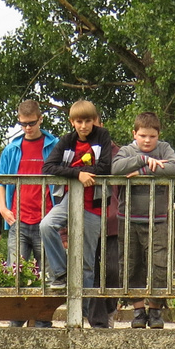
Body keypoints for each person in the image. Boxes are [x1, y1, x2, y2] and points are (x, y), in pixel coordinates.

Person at [43, 100, 117, 329]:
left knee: (86, 263)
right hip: (70, 200)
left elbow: (106, 166)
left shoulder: (102, 136)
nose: (83, 126)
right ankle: (62, 272)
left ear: (94, 121)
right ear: (72, 122)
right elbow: (49, 167)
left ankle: (82, 313)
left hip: (93, 205)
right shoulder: (67, 140)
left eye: (87, 121)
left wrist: (84, 174)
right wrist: (78, 175)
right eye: (79, 121)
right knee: (46, 226)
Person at [111, 112, 175, 329]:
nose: (147, 140)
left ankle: (156, 311)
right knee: (131, 266)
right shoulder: (126, 151)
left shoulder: (165, 149)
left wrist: (140, 171)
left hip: (158, 219)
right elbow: (115, 169)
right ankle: (138, 311)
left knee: (159, 265)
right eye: (143, 136)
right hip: (129, 218)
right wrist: (143, 160)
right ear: (135, 134)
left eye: (152, 136)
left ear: (158, 135)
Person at [0, 100, 58, 327]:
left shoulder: (54, 145)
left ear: (40, 119)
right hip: (18, 220)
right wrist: (3, 207)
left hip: (46, 221)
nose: (27, 128)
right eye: (23, 124)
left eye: (31, 123)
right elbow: (1, 180)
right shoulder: (12, 148)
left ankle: (43, 325)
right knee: (15, 276)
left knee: (47, 277)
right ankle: (15, 326)